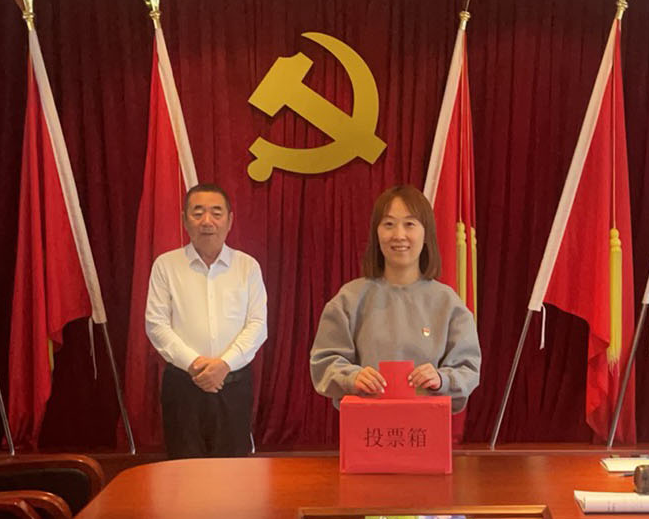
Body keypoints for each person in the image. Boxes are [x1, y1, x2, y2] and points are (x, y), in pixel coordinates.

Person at [310, 184, 480, 410]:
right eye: (389, 224)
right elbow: (324, 362)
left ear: (426, 233)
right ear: (376, 233)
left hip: (427, 424)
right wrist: (352, 377)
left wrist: (441, 379)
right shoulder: (349, 299)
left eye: (409, 224)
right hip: (367, 424)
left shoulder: (448, 303)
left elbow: (468, 369)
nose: (399, 235)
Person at [145, 183, 268, 458]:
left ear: (230, 220)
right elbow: (156, 324)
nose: (207, 221)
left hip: (233, 384)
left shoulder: (247, 266)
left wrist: (223, 365)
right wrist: (196, 365)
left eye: (216, 213)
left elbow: (258, 325)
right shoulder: (166, 265)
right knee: (183, 469)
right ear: (184, 220)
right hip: (183, 385)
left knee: (233, 471)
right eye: (198, 213)